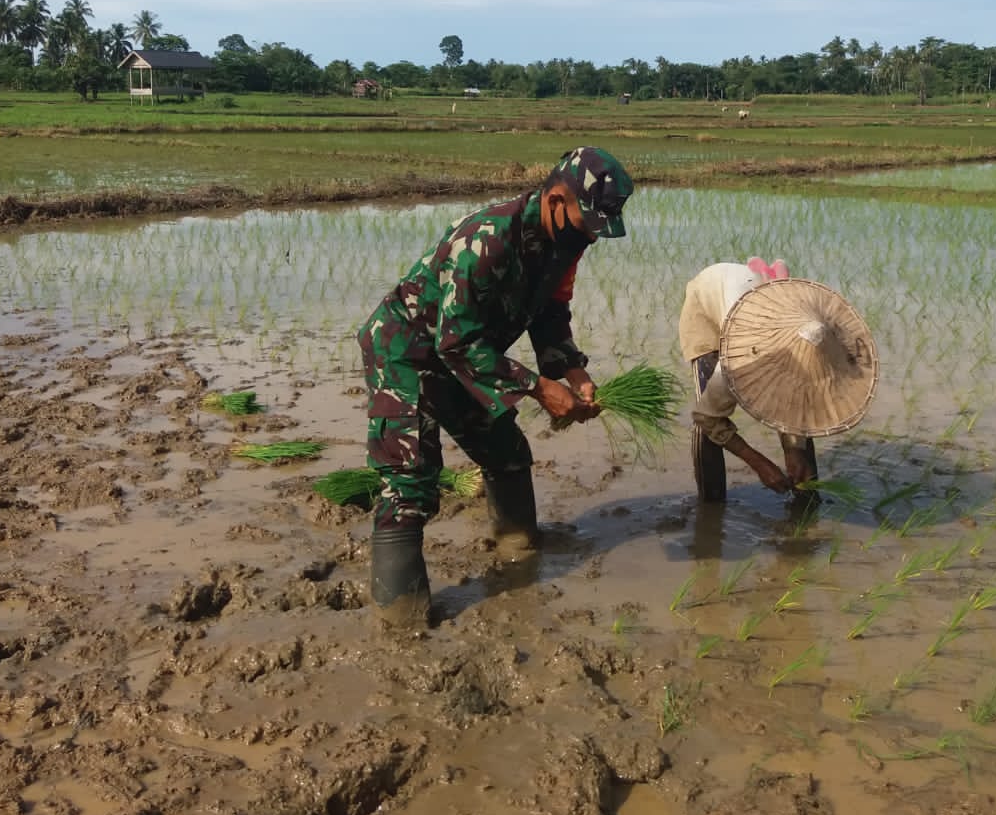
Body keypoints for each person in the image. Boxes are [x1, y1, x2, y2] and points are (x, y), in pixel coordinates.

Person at [357, 146, 633, 625]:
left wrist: (573, 371)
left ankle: (518, 553)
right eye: (587, 222)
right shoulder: (486, 240)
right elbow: (455, 341)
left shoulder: (565, 244)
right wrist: (538, 388)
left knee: (507, 451)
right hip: (406, 350)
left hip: (467, 353)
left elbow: (550, 311)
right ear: (556, 201)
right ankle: (401, 619)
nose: (591, 235)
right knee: (409, 482)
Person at [679, 259, 878, 503]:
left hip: (752, 296)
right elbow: (706, 417)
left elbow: (794, 402)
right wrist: (758, 462)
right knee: (710, 415)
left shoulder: (813, 327)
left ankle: (805, 497)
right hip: (706, 302)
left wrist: (794, 449)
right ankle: (711, 505)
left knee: (802, 412)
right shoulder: (738, 359)